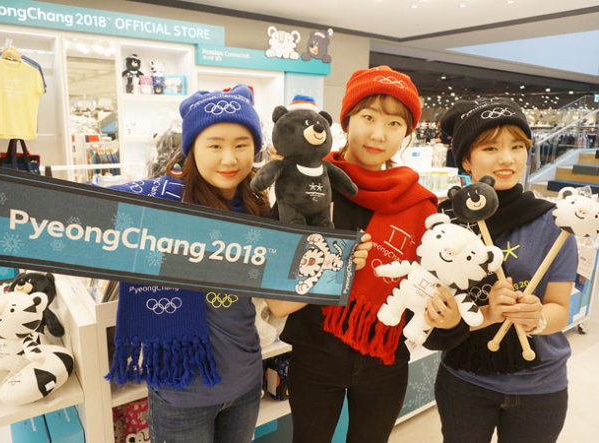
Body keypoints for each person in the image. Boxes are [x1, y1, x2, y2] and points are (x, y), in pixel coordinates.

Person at [266, 65, 438, 443]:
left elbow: (424, 294)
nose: (378, 134)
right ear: (345, 121)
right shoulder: (304, 187)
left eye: (394, 123)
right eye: (368, 117)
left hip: (386, 360)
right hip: (315, 357)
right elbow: (277, 303)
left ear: (407, 133)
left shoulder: (420, 206)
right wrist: (335, 267)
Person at [105, 85, 269, 443]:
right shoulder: (158, 204)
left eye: (241, 145)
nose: (229, 159)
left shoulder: (258, 209)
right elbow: (86, 216)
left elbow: (280, 298)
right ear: (192, 149)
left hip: (244, 382)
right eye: (215, 145)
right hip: (181, 392)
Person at [424, 98, 578, 443]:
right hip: (464, 380)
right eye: (490, 147)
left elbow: (559, 308)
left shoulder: (555, 224)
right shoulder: (446, 227)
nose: (507, 159)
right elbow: (438, 314)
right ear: (466, 160)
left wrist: (536, 318)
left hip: (541, 386)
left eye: (517, 146)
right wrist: (487, 313)